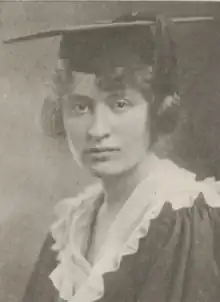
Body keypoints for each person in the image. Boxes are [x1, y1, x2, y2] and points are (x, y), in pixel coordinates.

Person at [5, 12, 220, 302]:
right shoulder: (71, 225)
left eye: (120, 104)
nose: (97, 130)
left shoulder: (180, 216)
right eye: (80, 107)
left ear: (155, 110)